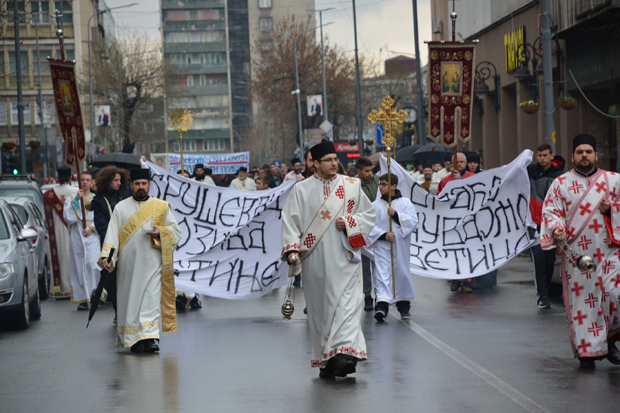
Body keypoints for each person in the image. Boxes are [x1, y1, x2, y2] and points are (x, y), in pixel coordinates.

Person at [281, 141, 376, 378]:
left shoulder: (352, 185)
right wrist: (292, 250)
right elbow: (290, 221)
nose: (334, 163)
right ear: (315, 163)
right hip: (315, 260)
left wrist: (351, 223)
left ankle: (345, 355)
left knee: (348, 305)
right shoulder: (301, 190)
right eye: (328, 160)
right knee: (321, 311)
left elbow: (369, 215)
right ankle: (327, 360)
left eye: (335, 159)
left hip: (346, 258)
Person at [541, 134, 620, 369]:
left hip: (610, 251)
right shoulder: (560, 184)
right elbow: (551, 211)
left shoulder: (614, 180)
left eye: (588, 152)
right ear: (573, 156)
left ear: (596, 155)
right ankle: (587, 352)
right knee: (584, 302)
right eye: (579, 152)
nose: (584, 155)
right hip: (578, 255)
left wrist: (612, 209)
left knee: (614, 294)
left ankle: (610, 340)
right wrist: (556, 227)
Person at [99, 168, 182, 354]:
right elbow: (112, 235)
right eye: (137, 184)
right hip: (128, 267)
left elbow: (176, 233)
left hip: (153, 265)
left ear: (149, 185)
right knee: (131, 302)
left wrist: (160, 232)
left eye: (144, 183)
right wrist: (107, 257)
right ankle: (135, 340)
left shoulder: (161, 207)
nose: (141, 187)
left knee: (150, 301)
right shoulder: (121, 208)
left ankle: (150, 337)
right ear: (131, 185)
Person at [368, 173, 418, 321]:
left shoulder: (405, 203)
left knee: (401, 274)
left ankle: (403, 306)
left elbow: (413, 222)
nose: (380, 187)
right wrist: (383, 235)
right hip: (382, 247)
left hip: (400, 247)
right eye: (380, 184)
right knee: (382, 273)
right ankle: (382, 306)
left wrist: (396, 215)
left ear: (393, 186)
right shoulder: (374, 206)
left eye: (384, 184)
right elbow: (369, 226)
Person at [527, 143, 565, 308]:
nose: (542, 158)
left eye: (545, 155)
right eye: (539, 155)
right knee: (539, 259)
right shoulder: (529, 171)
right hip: (533, 224)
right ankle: (542, 296)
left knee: (550, 260)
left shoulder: (559, 176)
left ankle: (547, 289)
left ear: (551, 156)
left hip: (549, 223)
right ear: (536, 156)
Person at [91, 166, 130, 323]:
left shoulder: (126, 195)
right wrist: (114, 236)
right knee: (112, 278)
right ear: (107, 181)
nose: (119, 183)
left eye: (120, 180)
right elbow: (101, 225)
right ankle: (117, 308)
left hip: (129, 242)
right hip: (111, 244)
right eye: (115, 180)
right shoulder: (99, 200)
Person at [437, 153, 476, 292]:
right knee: (454, 251)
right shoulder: (444, 181)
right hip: (451, 221)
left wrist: (460, 182)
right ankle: (455, 279)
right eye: (456, 162)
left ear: (465, 163)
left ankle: (466, 282)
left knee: (467, 252)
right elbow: (440, 200)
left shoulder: (473, 177)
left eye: (461, 162)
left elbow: (475, 195)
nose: (458, 164)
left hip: (469, 221)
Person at [63, 171, 102, 311]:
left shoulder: (97, 199)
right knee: (79, 266)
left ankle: (96, 294)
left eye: (87, 180)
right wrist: (76, 200)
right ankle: (83, 298)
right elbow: (68, 216)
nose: (85, 182)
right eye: (82, 179)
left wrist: (92, 228)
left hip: (92, 235)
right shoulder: (71, 198)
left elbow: (102, 217)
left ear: (91, 182)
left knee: (92, 264)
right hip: (77, 234)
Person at [43, 166, 78, 298]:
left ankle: (59, 289)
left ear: (57, 177)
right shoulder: (77, 192)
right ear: (70, 177)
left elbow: (44, 218)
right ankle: (75, 289)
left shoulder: (48, 195)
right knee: (73, 259)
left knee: (60, 259)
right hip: (73, 230)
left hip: (55, 233)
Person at [356, 156, 380, 311]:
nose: (370, 173)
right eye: (366, 171)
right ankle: (367, 296)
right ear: (358, 171)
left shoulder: (377, 181)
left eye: (371, 170)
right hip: (364, 229)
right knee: (365, 266)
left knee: (378, 264)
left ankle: (380, 296)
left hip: (379, 229)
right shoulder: (353, 185)